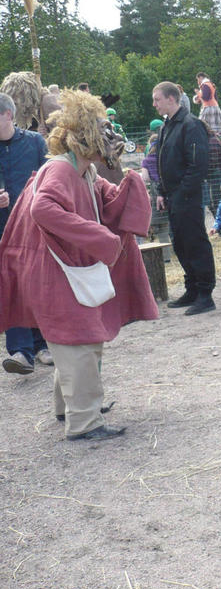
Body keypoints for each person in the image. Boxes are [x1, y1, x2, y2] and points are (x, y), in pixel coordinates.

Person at [0, 89, 158, 439]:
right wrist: (98, 237)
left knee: (77, 340)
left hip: (67, 272)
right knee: (78, 341)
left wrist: (131, 181)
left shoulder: (83, 169)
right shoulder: (60, 169)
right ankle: (84, 423)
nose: (110, 137)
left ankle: (69, 408)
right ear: (84, 134)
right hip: (53, 273)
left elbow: (108, 201)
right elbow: (43, 209)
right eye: (102, 130)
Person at [152, 81, 217, 316]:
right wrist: (161, 191)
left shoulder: (191, 125)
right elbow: (162, 161)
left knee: (194, 242)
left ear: (172, 98)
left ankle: (205, 293)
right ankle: (192, 288)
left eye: (157, 99)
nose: (154, 104)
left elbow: (198, 166)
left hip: (187, 197)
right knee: (179, 242)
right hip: (172, 196)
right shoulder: (166, 126)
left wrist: (181, 194)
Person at [0, 92, 53, 375]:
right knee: (10, 287)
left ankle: (43, 344)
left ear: (8, 115)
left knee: (36, 284)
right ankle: (21, 352)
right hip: (1, 232)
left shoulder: (34, 143)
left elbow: (50, 180)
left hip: (32, 228)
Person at [140, 118, 172, 259]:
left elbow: (145, 178)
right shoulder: (165, 157)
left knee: (159, 226)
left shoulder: (146, 161)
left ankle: (165, 256)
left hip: (154, 191)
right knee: (169, 223)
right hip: (167, 187)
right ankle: (174, 251)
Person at [194, 72, 221, 139]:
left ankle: (210, 143)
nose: (197, 82)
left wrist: (198, 93)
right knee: (213, 129)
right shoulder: (210, 84)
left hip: (208, 108)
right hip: (214, 107)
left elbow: (205, 98)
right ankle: (214, 142)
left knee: (203, 126)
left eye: (197, 79)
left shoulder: (205, 85)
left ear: (200, 77)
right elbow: (214, 97)